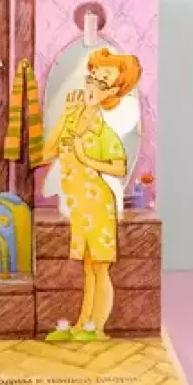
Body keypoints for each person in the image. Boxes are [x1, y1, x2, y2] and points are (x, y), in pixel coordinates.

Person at [42, 47, 142, 341]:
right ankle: (81, 326)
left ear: (111, 92)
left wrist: (87, 159)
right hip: (79, 206)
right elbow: (47, 153)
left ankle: (97, 329)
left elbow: (120, 166)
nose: (93, 83)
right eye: (92, 76)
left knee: (100, 268)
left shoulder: (102, 128)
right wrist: (65, 116)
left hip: (98, 204)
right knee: (87, 269)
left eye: (102, 80)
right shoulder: (73, 117)